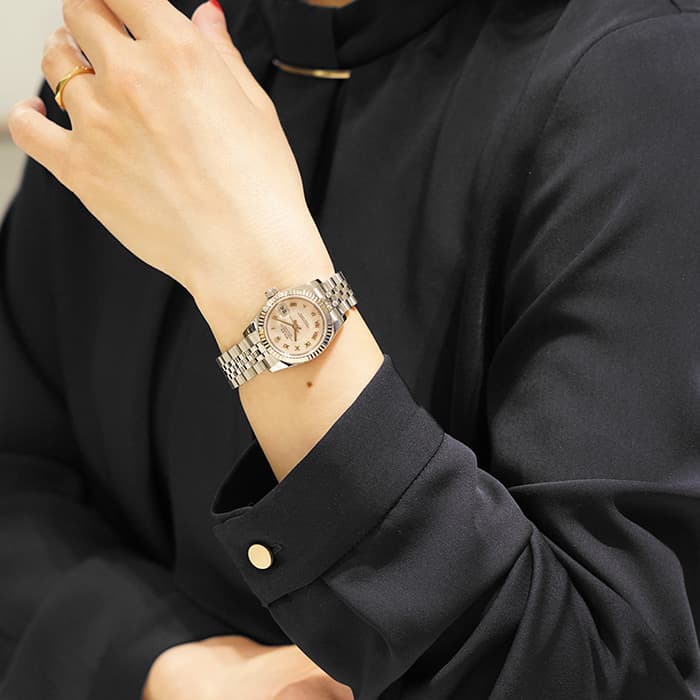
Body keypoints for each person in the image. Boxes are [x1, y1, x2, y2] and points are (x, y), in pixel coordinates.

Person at [1, 0, 699, 697]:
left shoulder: (639, 80)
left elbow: (606, 670)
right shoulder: (141, 61)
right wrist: (169, 667)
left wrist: (255, 272)